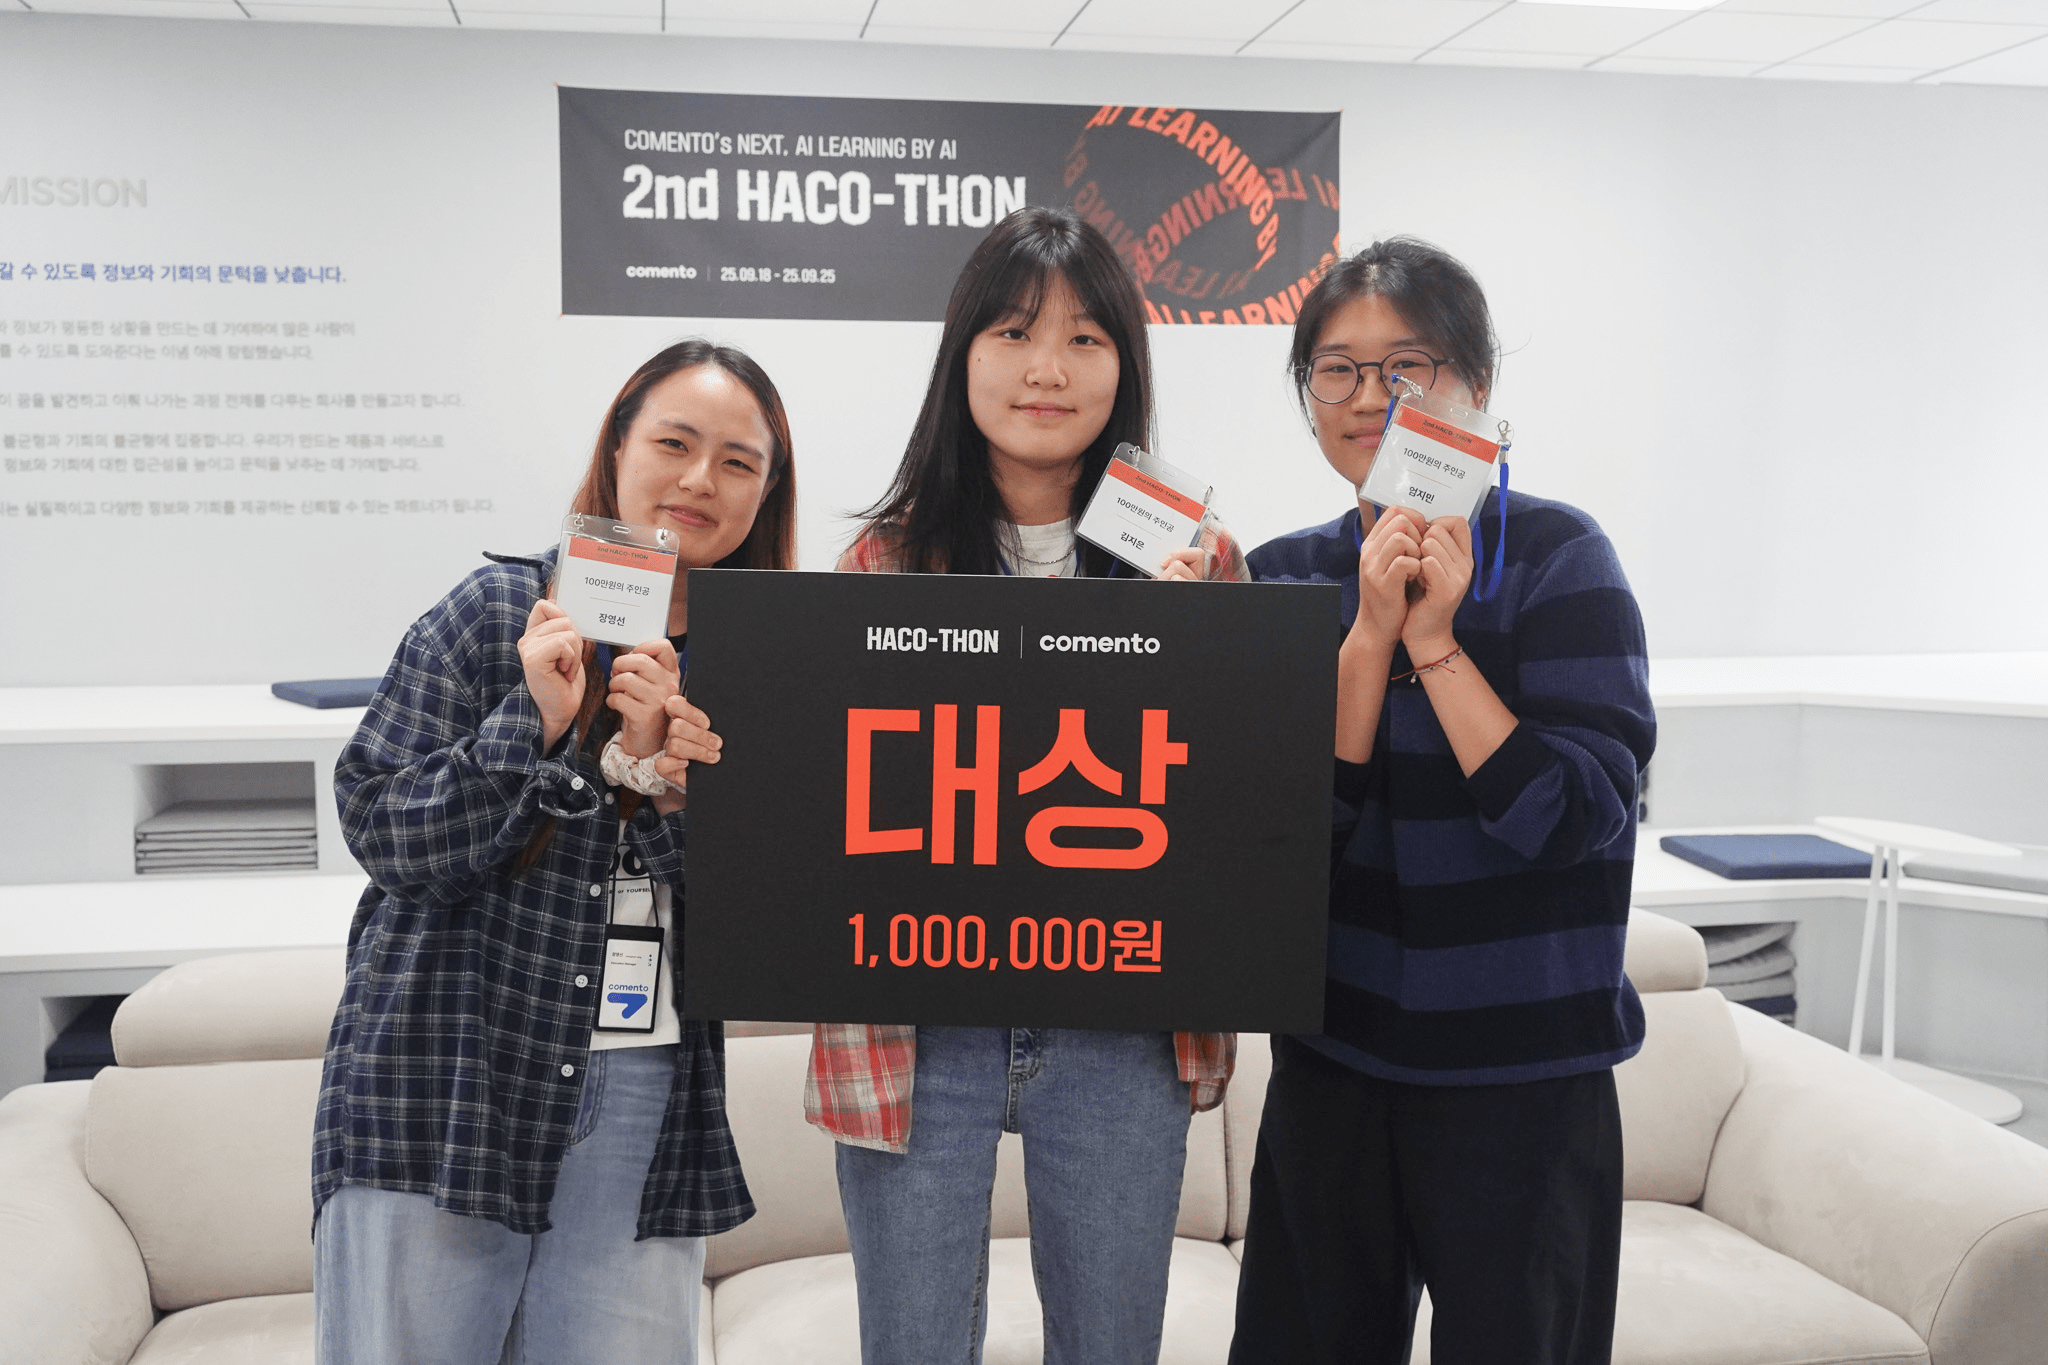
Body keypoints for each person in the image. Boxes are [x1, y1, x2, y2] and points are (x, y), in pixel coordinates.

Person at [808, 206, 1248, 1365]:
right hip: (917, 1014)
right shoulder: (877, 567)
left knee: (1109, 1346)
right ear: (961, 356)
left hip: (1122, 1014)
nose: (1046, 369)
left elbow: (1243, 817)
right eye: (1012, 332)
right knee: (910, 1347)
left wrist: (1204, 660)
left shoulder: (1199, 563)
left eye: (1084, 339)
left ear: (1123, 367)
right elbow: (830, 809)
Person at [312, 339, 796, 1364]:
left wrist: (662, 786)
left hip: (642, 1088)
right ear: (618, 446)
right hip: (447, 1075)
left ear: (768, 490)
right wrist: (528, 725)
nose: (700, 480)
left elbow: (774, 923)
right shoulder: (499, 613)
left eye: (738, 462)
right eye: (674, 443)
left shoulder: (765, 668)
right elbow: (382, 829)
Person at [1230, 238, 1656, 1365]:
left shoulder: (1561, 559)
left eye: (1407, 366)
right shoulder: (1282, 579)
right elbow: (1279, 845)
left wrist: (1434, 642)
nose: (1371, 397)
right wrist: (1364, 640)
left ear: (1477, 384)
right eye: (1336, 370)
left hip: (1525, 1079)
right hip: (1334, 1065)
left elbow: (1571, 820)